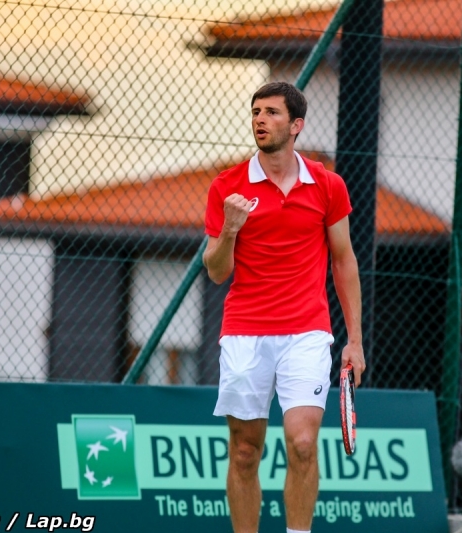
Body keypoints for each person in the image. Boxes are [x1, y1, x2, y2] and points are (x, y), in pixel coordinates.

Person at [202, 81, 365, 533]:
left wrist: (354, 340)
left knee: (303, 444)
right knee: (245, 452)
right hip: (244, 332)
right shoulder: (227, 187)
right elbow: (216, 270)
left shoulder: (328, 186)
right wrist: (231, 230)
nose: (259, 119)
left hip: (307, 332)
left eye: (272, 112)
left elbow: (343, 260)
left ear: (296, 125)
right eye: (255, 111)